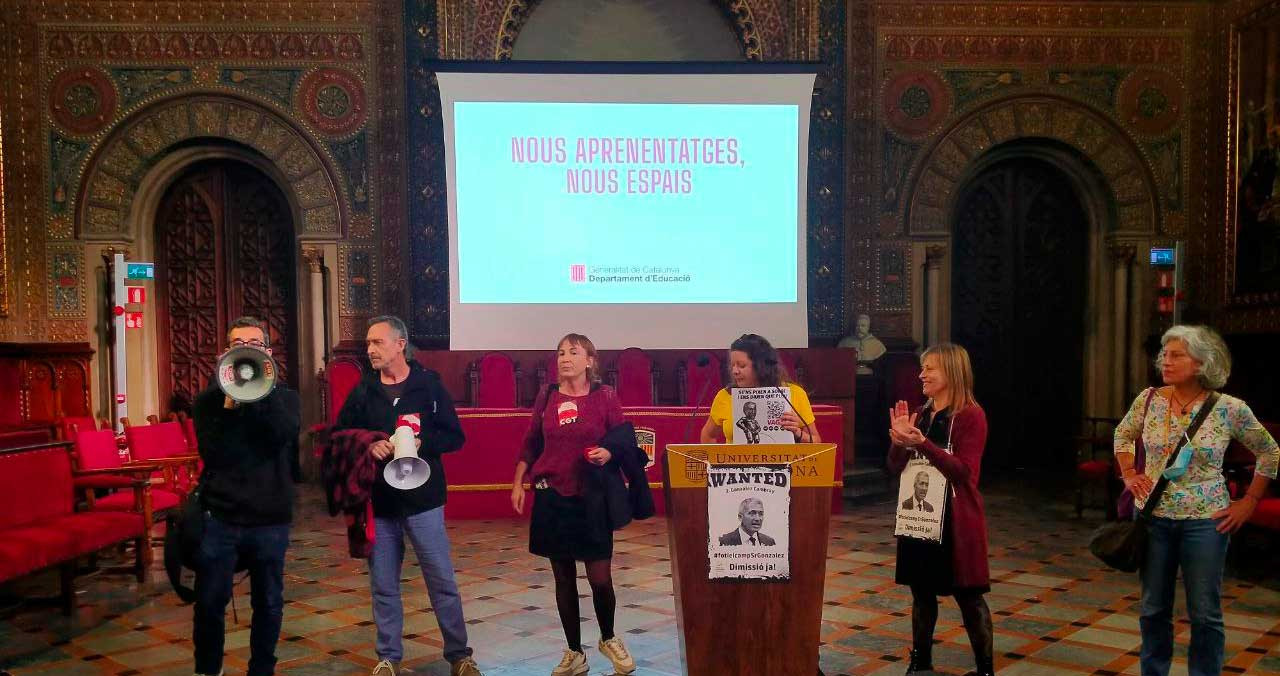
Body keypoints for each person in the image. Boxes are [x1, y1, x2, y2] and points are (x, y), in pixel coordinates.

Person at [1114, 325, 1277, 676]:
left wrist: (1249, 502)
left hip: (1206, 521)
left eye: (1176, 355)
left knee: (1204, 613)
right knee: (1153, 609)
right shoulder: (1149, 400)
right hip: (1154, 518)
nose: (1166, 362)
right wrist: (1129, 474)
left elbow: (1270, 452)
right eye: (1165, 355)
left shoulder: (1229, 408)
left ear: (1202, 362)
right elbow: (1122, 435)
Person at [333, 316, 482, 676]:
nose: (370, 350)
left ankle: (460, 655)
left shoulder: (428, 386)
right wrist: (369, 444)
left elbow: (455, 437)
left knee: (442, 581)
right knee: (383, 584)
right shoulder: (363, 390)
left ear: (400, 344)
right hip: (380, 504)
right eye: (368, 343)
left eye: (377, 343)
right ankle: (388, 658)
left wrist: (421, 443)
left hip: (424, 502)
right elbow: (339, 435)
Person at [511, 333, 648, 676]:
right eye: (560, 352)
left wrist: (609, 452)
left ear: (590, 361)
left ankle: (609, 637)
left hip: (593, 496)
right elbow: (531, 443)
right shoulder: (547, 396)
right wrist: (518, 481)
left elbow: (623, 439)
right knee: (563, 578)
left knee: (600, 577)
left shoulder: (605, 396)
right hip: (552, 494)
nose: (564, 358)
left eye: (573, 352)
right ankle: (574, 652)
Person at [191, 317, 301, 676]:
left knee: (268, 602)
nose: (246, 349)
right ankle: (209, 670)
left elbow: (281, 435)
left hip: (270, 518)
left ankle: (262, 670)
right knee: (209, 602)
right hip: (221, 517)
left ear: (267, 353)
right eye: (238, 343)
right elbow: (215, 454)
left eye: (254, 344)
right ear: (226, 352)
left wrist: (256, 393)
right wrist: (230, 402)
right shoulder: (208, 402)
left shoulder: (285, 398)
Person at [887, 343, 993, 676]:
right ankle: (920, 663)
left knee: (969, 597)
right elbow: (893, 468)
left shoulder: (971, 415)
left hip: (955, 520)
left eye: (929, 368)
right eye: (922, 368)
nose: (921, 374)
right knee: (921, 594)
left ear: (951, 372)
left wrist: (923, 444)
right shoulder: (920, 413)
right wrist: (899, 444)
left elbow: (964, 473)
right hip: (919, 517)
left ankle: (985, 669)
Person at [700, 333, 821, 444]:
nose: (735, 371)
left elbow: (816, 441)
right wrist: (719, 462)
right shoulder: (725, 396)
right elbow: (707, 435)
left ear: (761, 366)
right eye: (732, 365)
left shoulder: (795, 393)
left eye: (741, 366)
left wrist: (798, 433)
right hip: (738, 466)